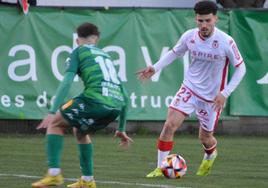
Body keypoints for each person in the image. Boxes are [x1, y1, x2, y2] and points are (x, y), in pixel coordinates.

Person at [137, 0, 246, 177]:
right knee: (169, 125)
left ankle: (211, 153)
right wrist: (155, 67)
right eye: (200, 20)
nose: (203, 25)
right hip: (189, 88)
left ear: (215, 19)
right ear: (196, 19)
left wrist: (225, 93)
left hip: (211, 98)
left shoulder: (226, 41)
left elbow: (241, 68)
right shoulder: (189, 36)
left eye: (207, 21)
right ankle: (160, 167)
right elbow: (175, 52)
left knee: (205, 138)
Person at [32, 22, 133, 188]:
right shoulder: (106, 56)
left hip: (94, 100)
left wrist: (52, 111)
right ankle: (87, 180)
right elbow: (126, 97)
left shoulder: (78, 51)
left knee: (55, 123)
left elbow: (66, 82)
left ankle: (54, 174)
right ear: (96, 39)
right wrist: (121, 128)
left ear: (77, 40)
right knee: (79, 130)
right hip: (114, 107)